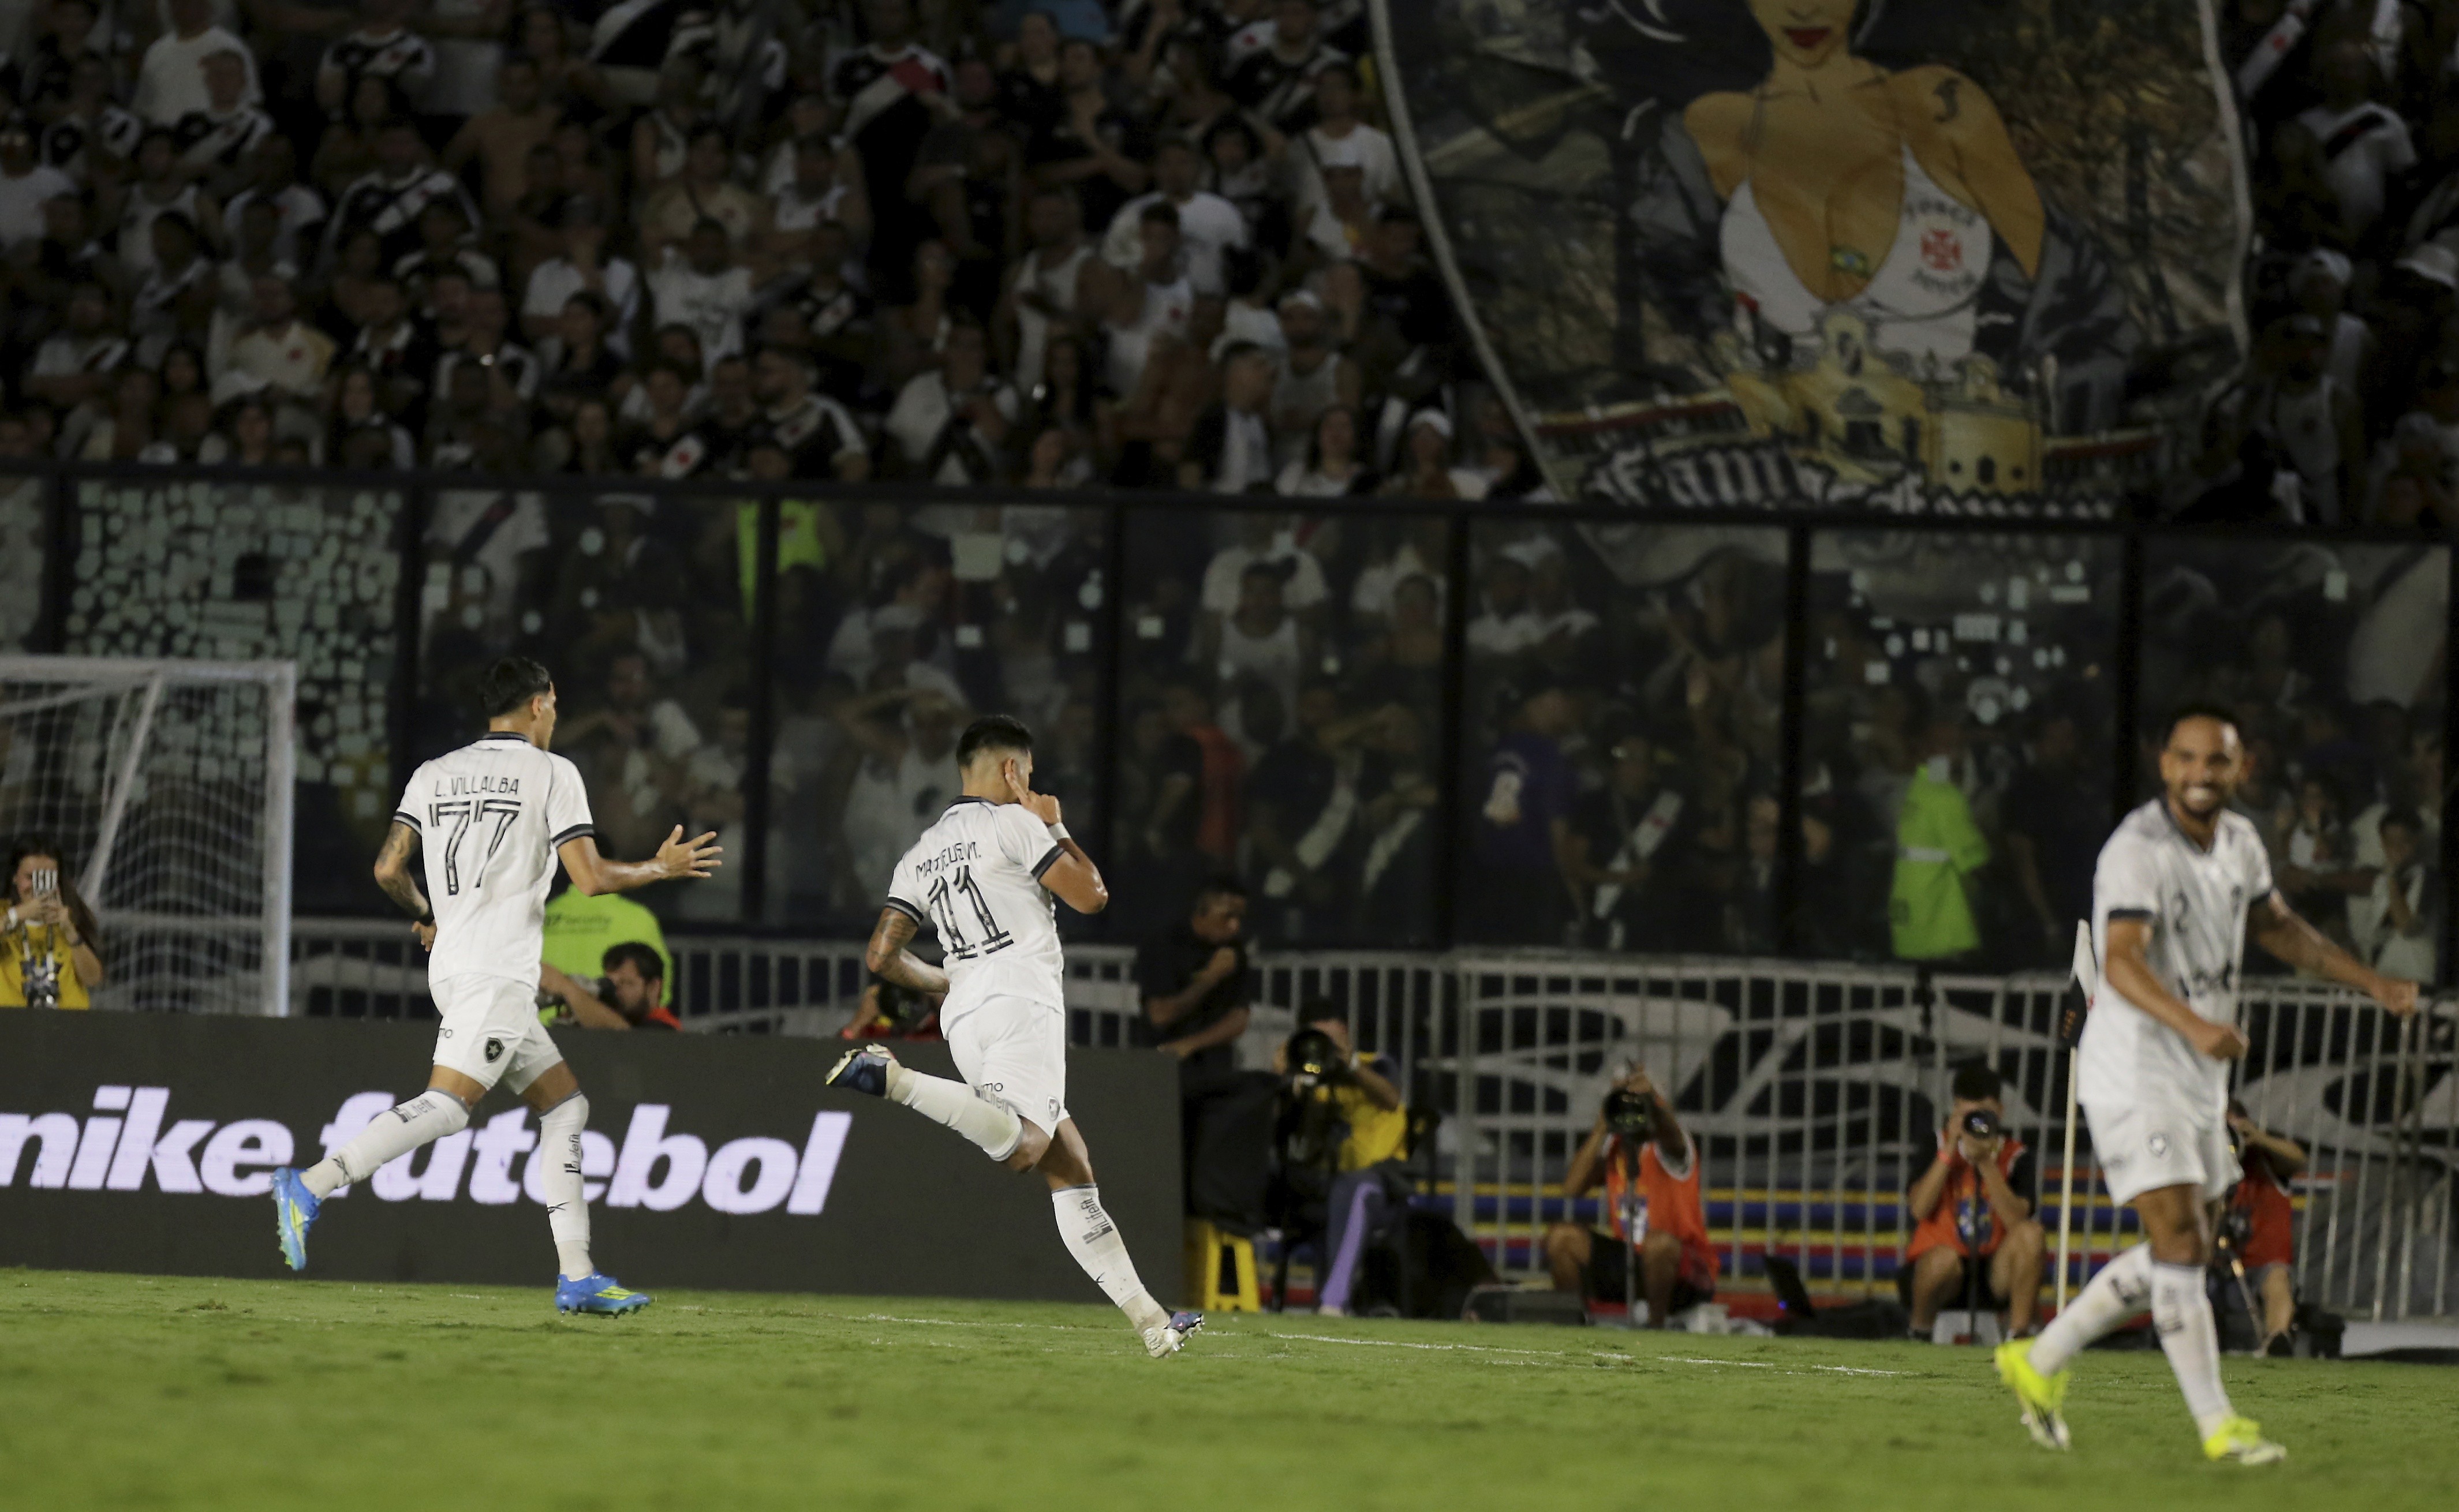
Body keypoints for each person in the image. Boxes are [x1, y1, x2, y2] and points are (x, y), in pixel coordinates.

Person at [1995, 703, 2420, 1464]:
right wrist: (2193, 1025)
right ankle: (2218, 1426)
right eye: (2187, 759)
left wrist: (2372, 983)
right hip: (2136, 1065)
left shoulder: (2243, 844)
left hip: (2198, 1074)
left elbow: (2281, 929)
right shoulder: (2137, 849)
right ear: (2165, 765)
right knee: (2185, 1239)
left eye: (2216, 761)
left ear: (2240, 768)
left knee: (2187, 1241)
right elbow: (2121, 958)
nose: (2201, 774)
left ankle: (2039, 1358)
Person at [267, 656, 723, 1315]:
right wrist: (664, 864)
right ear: (540, 705)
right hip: (501, 970)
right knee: (449, 1107)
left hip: (453, 965)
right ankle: (310, 1183)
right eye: (556, 704)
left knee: (565, 1106)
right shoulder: (552, 773)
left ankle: (577, 1273)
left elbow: (388, 867)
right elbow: (590, 877)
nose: (557, 715)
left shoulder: (434, 773)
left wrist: (427, 916)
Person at [828, 714, 1206, 1359]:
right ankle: (894, 1079)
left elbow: (883, 956)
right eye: (1027, 775)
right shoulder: (1015, 821)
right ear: (1011, 771)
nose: (1030, 786)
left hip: (966, 1016)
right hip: (1022, 999)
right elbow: (1091, 896)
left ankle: (1152, 1323)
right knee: (1027, 1146)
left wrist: (952, 981)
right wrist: (1053, 821)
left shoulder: (919, 852)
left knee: (1069, 1160)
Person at [1541, 1065, 1718, 1327]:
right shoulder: (1615, 1152)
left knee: (1657, 1244)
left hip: (1684, 1268)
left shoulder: (1672, 1147)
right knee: (1562, 1238)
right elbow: (1571, 1189)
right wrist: (1603, 1125)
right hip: (1631, 1262)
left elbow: (1671, 1134)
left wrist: (1653, 1104)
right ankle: (1574, 1325)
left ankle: (1655, 1327)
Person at [1274, 1013, 1406, 1318]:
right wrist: (1285, 1077)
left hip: (1380, 1186)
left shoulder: (1376, 1064)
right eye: (1317, 1043)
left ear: (1345, 1036)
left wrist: (1352, 1064)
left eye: (1331, 1042)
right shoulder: (1312, 1080)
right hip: (1324, 1184)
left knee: (1355, 1189)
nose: (1325, 1051)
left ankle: (1334, 1302)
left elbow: (1391, 1098)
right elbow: (1287, 1126)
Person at [1902, 1064, 2046, 1339]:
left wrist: (1986, 1164)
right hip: (1940, 1268)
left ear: (2000, 1113)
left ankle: (2018, 1337)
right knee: (1943, 1260)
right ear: (1955, 1111)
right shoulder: (1934, 1144)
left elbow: (2019, 1222)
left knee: (2033, 1234)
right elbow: (1919, 1209)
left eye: (1985, 1116)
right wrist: (1948, 1151)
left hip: (1995, 1272)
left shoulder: (2017, 1155)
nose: (1977, 1124)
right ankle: (1919, 1331)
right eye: (1969, 1116)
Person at [1, 837, 106, 1008]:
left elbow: (93, 979)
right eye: (30, 877)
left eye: (46, 877)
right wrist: (16, 916)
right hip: (11, 1027)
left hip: (67, 1028)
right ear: (15, 877)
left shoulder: (71, 916)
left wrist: (70, 932)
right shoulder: (3, 914)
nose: (37, 886)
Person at [538, 941, 679, 1030]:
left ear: (654, 988)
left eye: (626, 983)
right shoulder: (615, 1019)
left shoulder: (665, 1028)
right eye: (612, 983)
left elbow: (630, 1042)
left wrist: (568, 990)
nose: (616, 992)